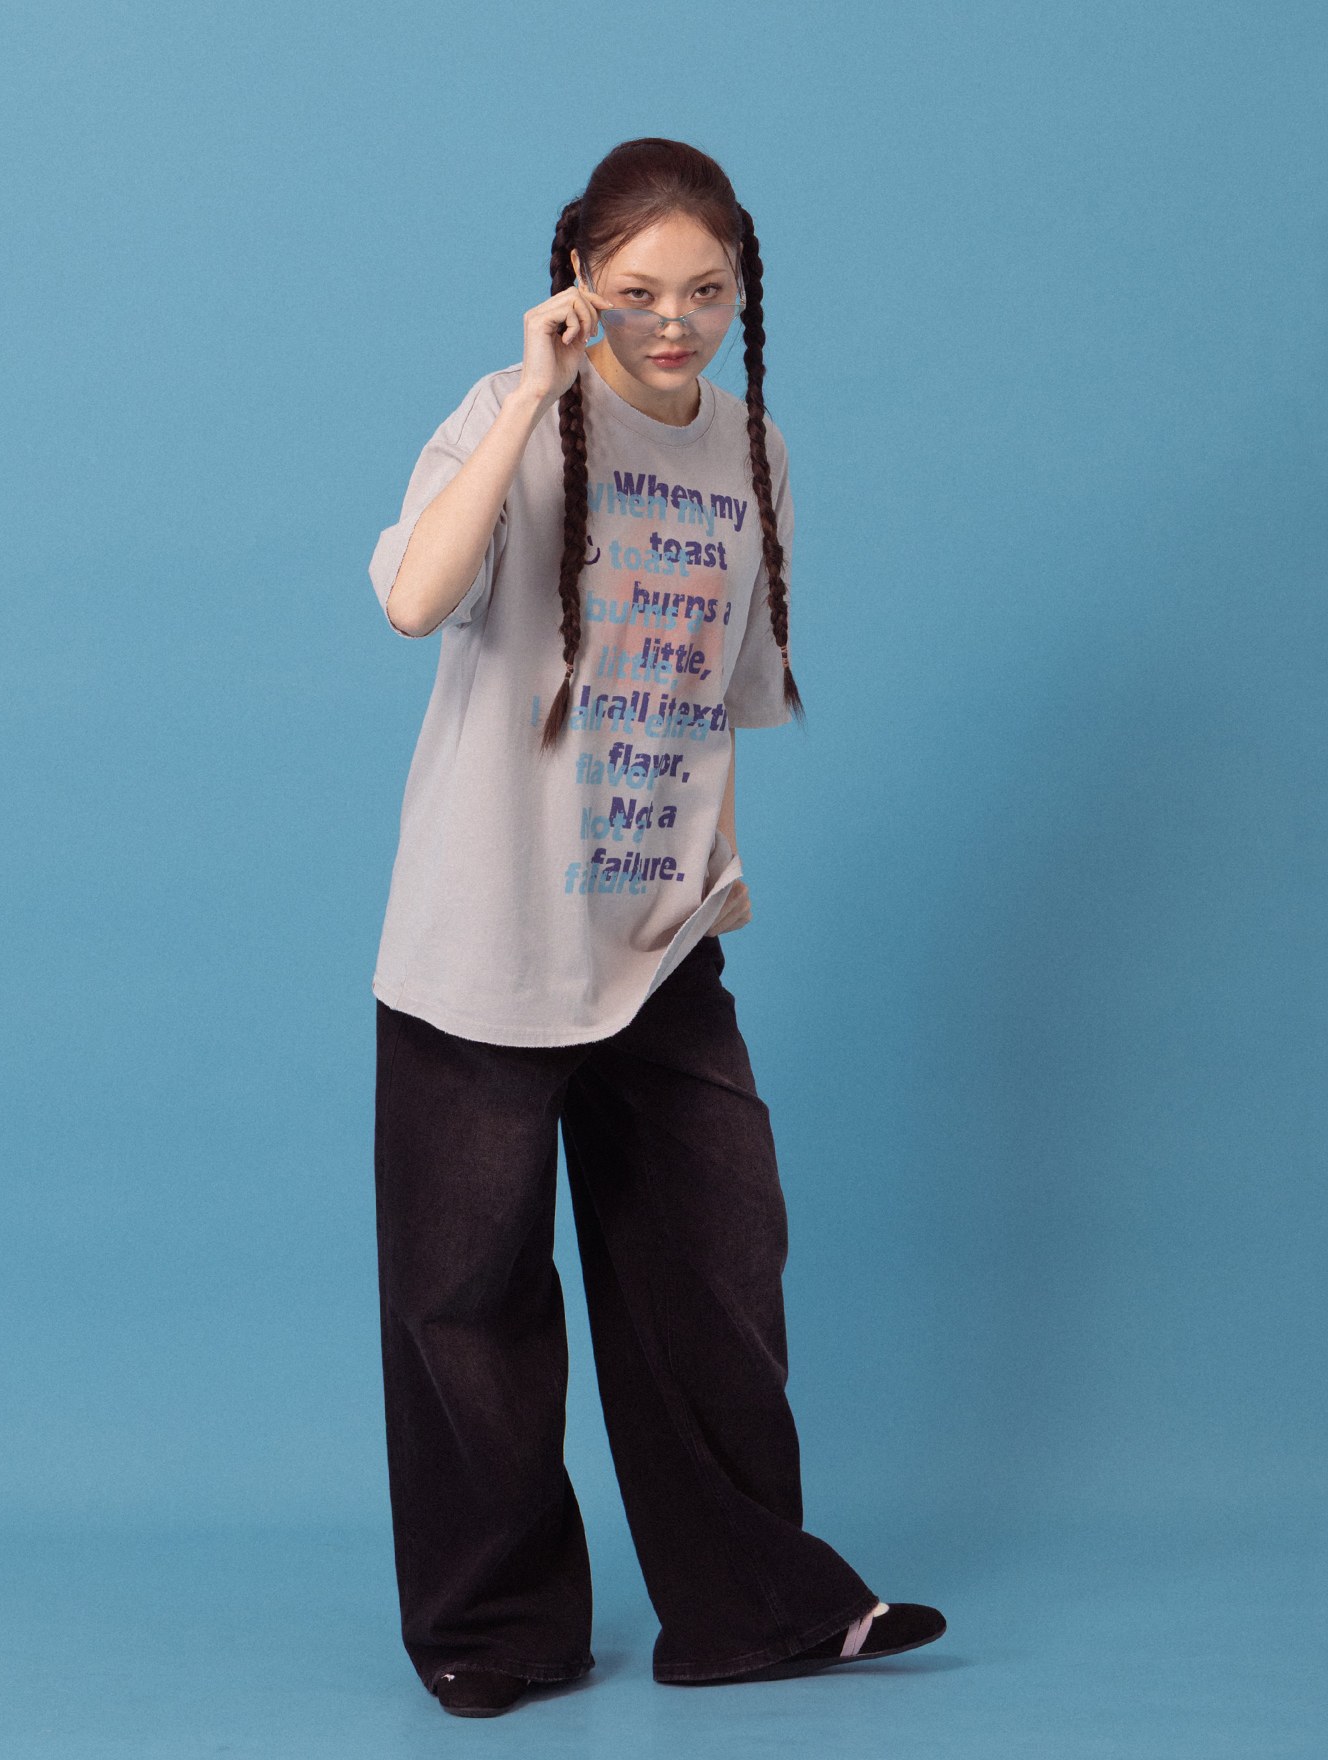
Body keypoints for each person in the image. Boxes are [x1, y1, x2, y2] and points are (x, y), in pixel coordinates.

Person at [366, 137, 946, 1720]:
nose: (674, 322)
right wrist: (529, 391)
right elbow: (413, 600)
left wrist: (721, 869)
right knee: (466, 1306)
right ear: (578, 282)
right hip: (481, 945)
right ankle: (498, 1632)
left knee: (716, 1268)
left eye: (705, 291)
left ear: (743, 290)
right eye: (637, 292)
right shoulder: (506, 420)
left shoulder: (754, 452)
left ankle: (752, 1607)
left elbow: (717, 698)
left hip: (658, 943)